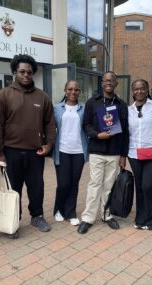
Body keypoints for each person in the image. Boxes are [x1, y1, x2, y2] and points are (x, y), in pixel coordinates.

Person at [0, 54, 56, 238]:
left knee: (37, 187)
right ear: (14, 72)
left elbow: (50, 124)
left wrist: (49, 144)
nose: (26, 75)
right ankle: (13, 221)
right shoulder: (3, 95)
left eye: (29, 72)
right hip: (11, 152)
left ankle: (37, 216)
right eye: (22, 72)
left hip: (35, 152)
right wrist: (0, 153)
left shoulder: (42, 97)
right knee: (14, 189)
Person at [78, 71, 129, 234]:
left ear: (116, 84)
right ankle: (87, 218)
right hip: (97, 151)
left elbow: (126, 131)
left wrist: (123, 155)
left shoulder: (121, 105)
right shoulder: (92, 102)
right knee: (94, 184)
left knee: (109, 186)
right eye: (106, 80)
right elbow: (85, 125)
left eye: (112, 81)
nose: (109, 83)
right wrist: (97, 135)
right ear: (102, 83)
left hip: (114, 152)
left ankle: (106, 215)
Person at [128, 79, 152, 231]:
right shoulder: (129, 110)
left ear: (147, 90)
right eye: (136, 89)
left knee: (147, 186)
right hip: (134, 153)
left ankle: (150, 217)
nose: (139, 91)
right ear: (133, 92)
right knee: (139, 186)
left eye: (143, 88)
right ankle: (140, 218)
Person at [52, 80, 88, 226]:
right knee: (63, 183)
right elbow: (48, 127)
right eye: (70, 89)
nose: (73, 92)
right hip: (62, 150)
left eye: (76, 89)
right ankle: (58, 209)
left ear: (79, 92)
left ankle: (71, 212)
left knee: (74, 183)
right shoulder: (56, 108)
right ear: (65, 90)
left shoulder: (84, 108)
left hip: (79, 151)